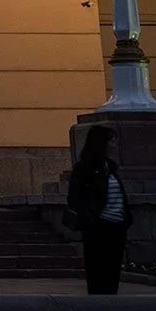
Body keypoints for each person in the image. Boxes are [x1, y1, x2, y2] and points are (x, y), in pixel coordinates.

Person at [66, 122, 131, 294]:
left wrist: (126, 220)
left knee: (113, 272)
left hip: (117, 226)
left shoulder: (111, 167)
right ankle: (99, 304)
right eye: (112, 141)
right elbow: (74, 198)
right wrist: (90, 220)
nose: (115, 145)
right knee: (98, 273)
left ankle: (110, 301)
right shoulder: (84, 168)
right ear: (101, 143)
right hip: (98, 227)